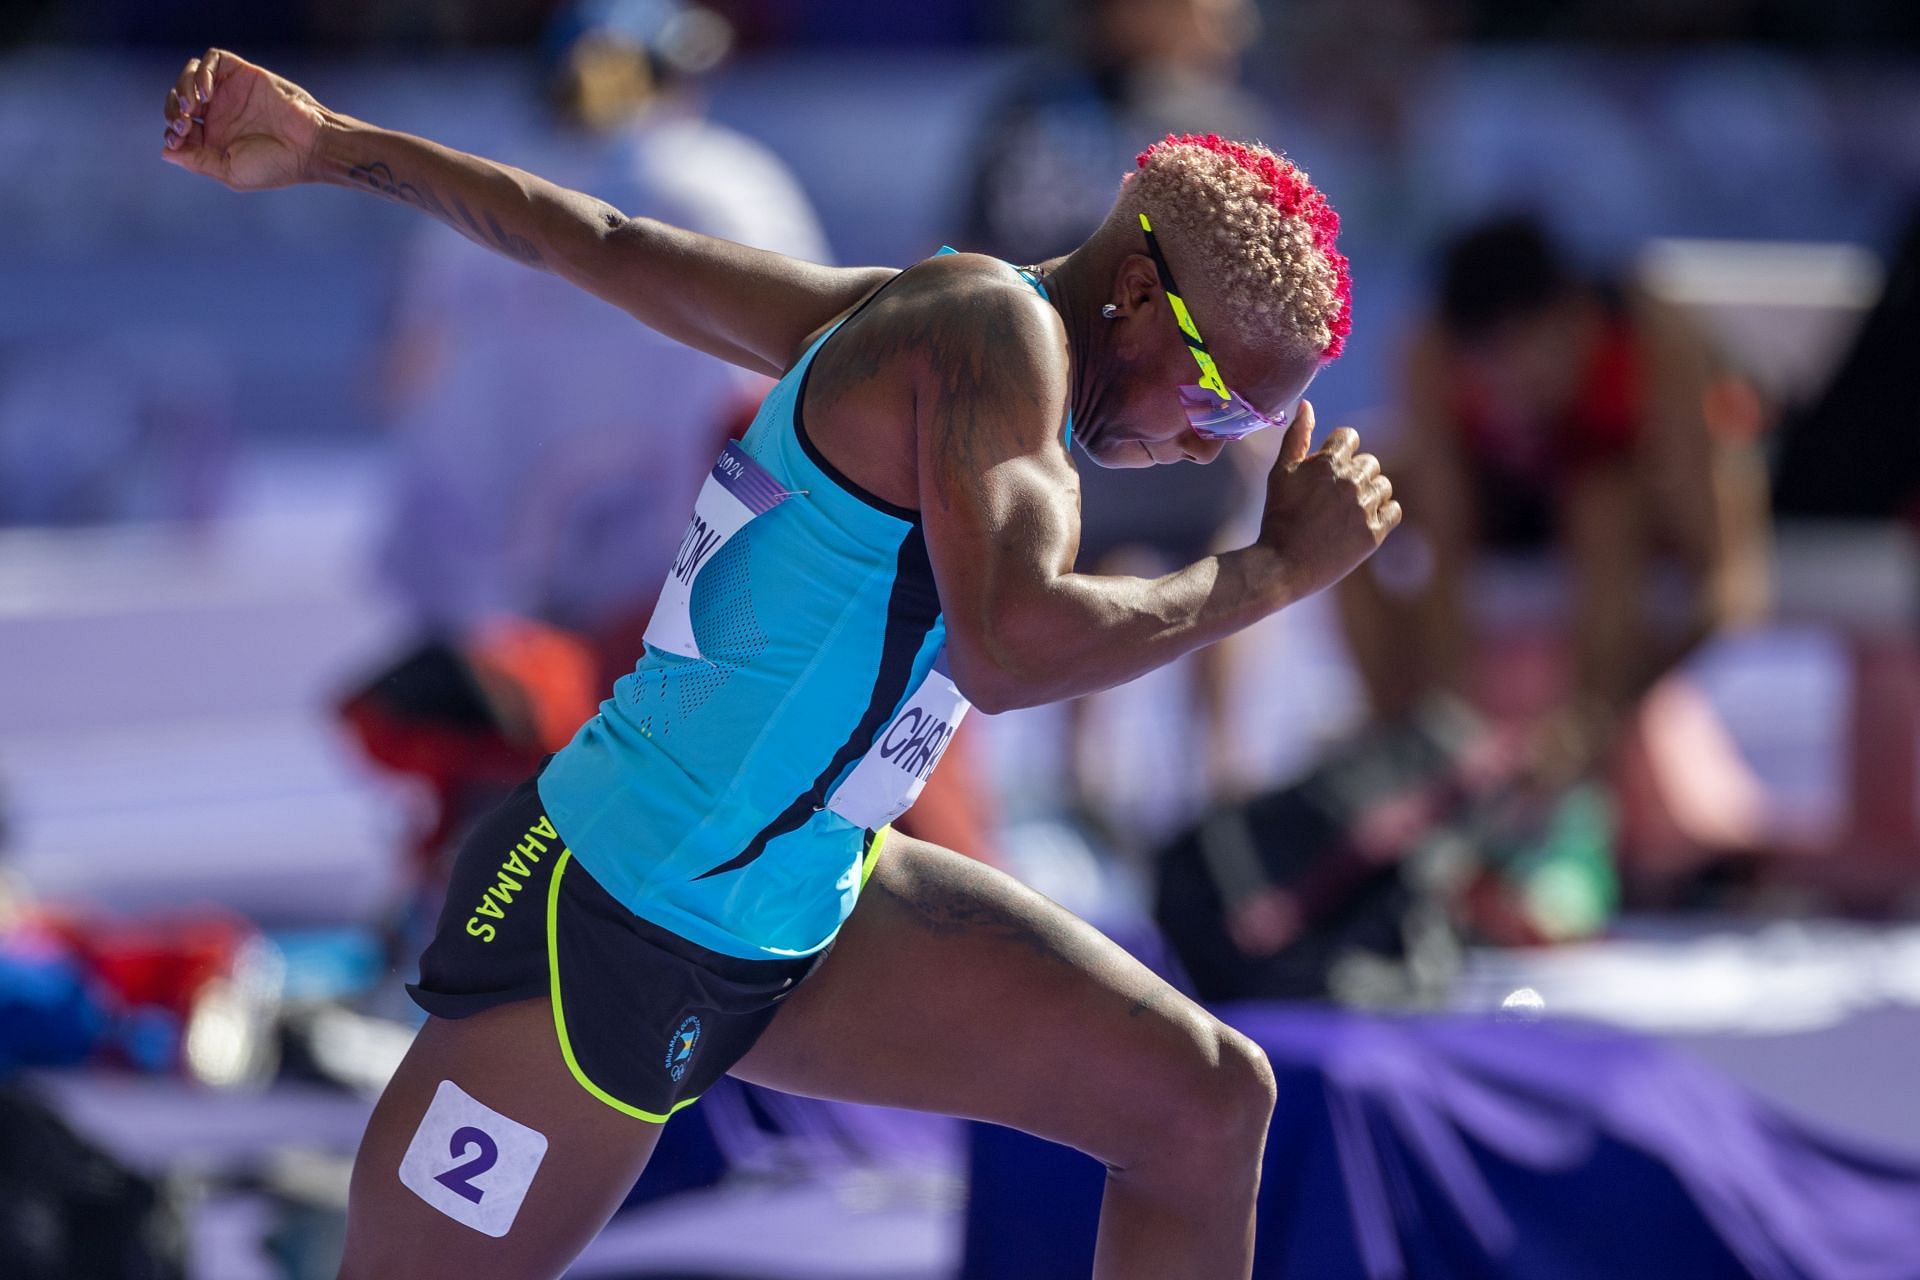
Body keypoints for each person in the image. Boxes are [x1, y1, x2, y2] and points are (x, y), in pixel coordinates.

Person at [161, 48, 1393, 1280]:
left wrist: (329, 146)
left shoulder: (929, 319)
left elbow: (595, 239)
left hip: (805, 912)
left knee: (1206, 1101)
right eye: (1222, 407)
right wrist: (1272, 573)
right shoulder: (987, 333)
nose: (1203, 451)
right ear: (1135, 291)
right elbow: (1013, 646)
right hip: (609, 919)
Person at [1335, 216, 1772, 889]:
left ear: (1572, 319)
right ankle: (1417, 758)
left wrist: (1600, 719)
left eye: (1527, 360)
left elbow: (1729, 586)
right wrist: (1445, 733)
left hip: (1634, 511)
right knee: (1349, 507)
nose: (1512, 391)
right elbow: (1445, 550)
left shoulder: (1654, 345)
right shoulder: (1433, 350)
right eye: (1490, 372)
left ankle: (1581, 774)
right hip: (1512, 504)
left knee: (1603, 504)